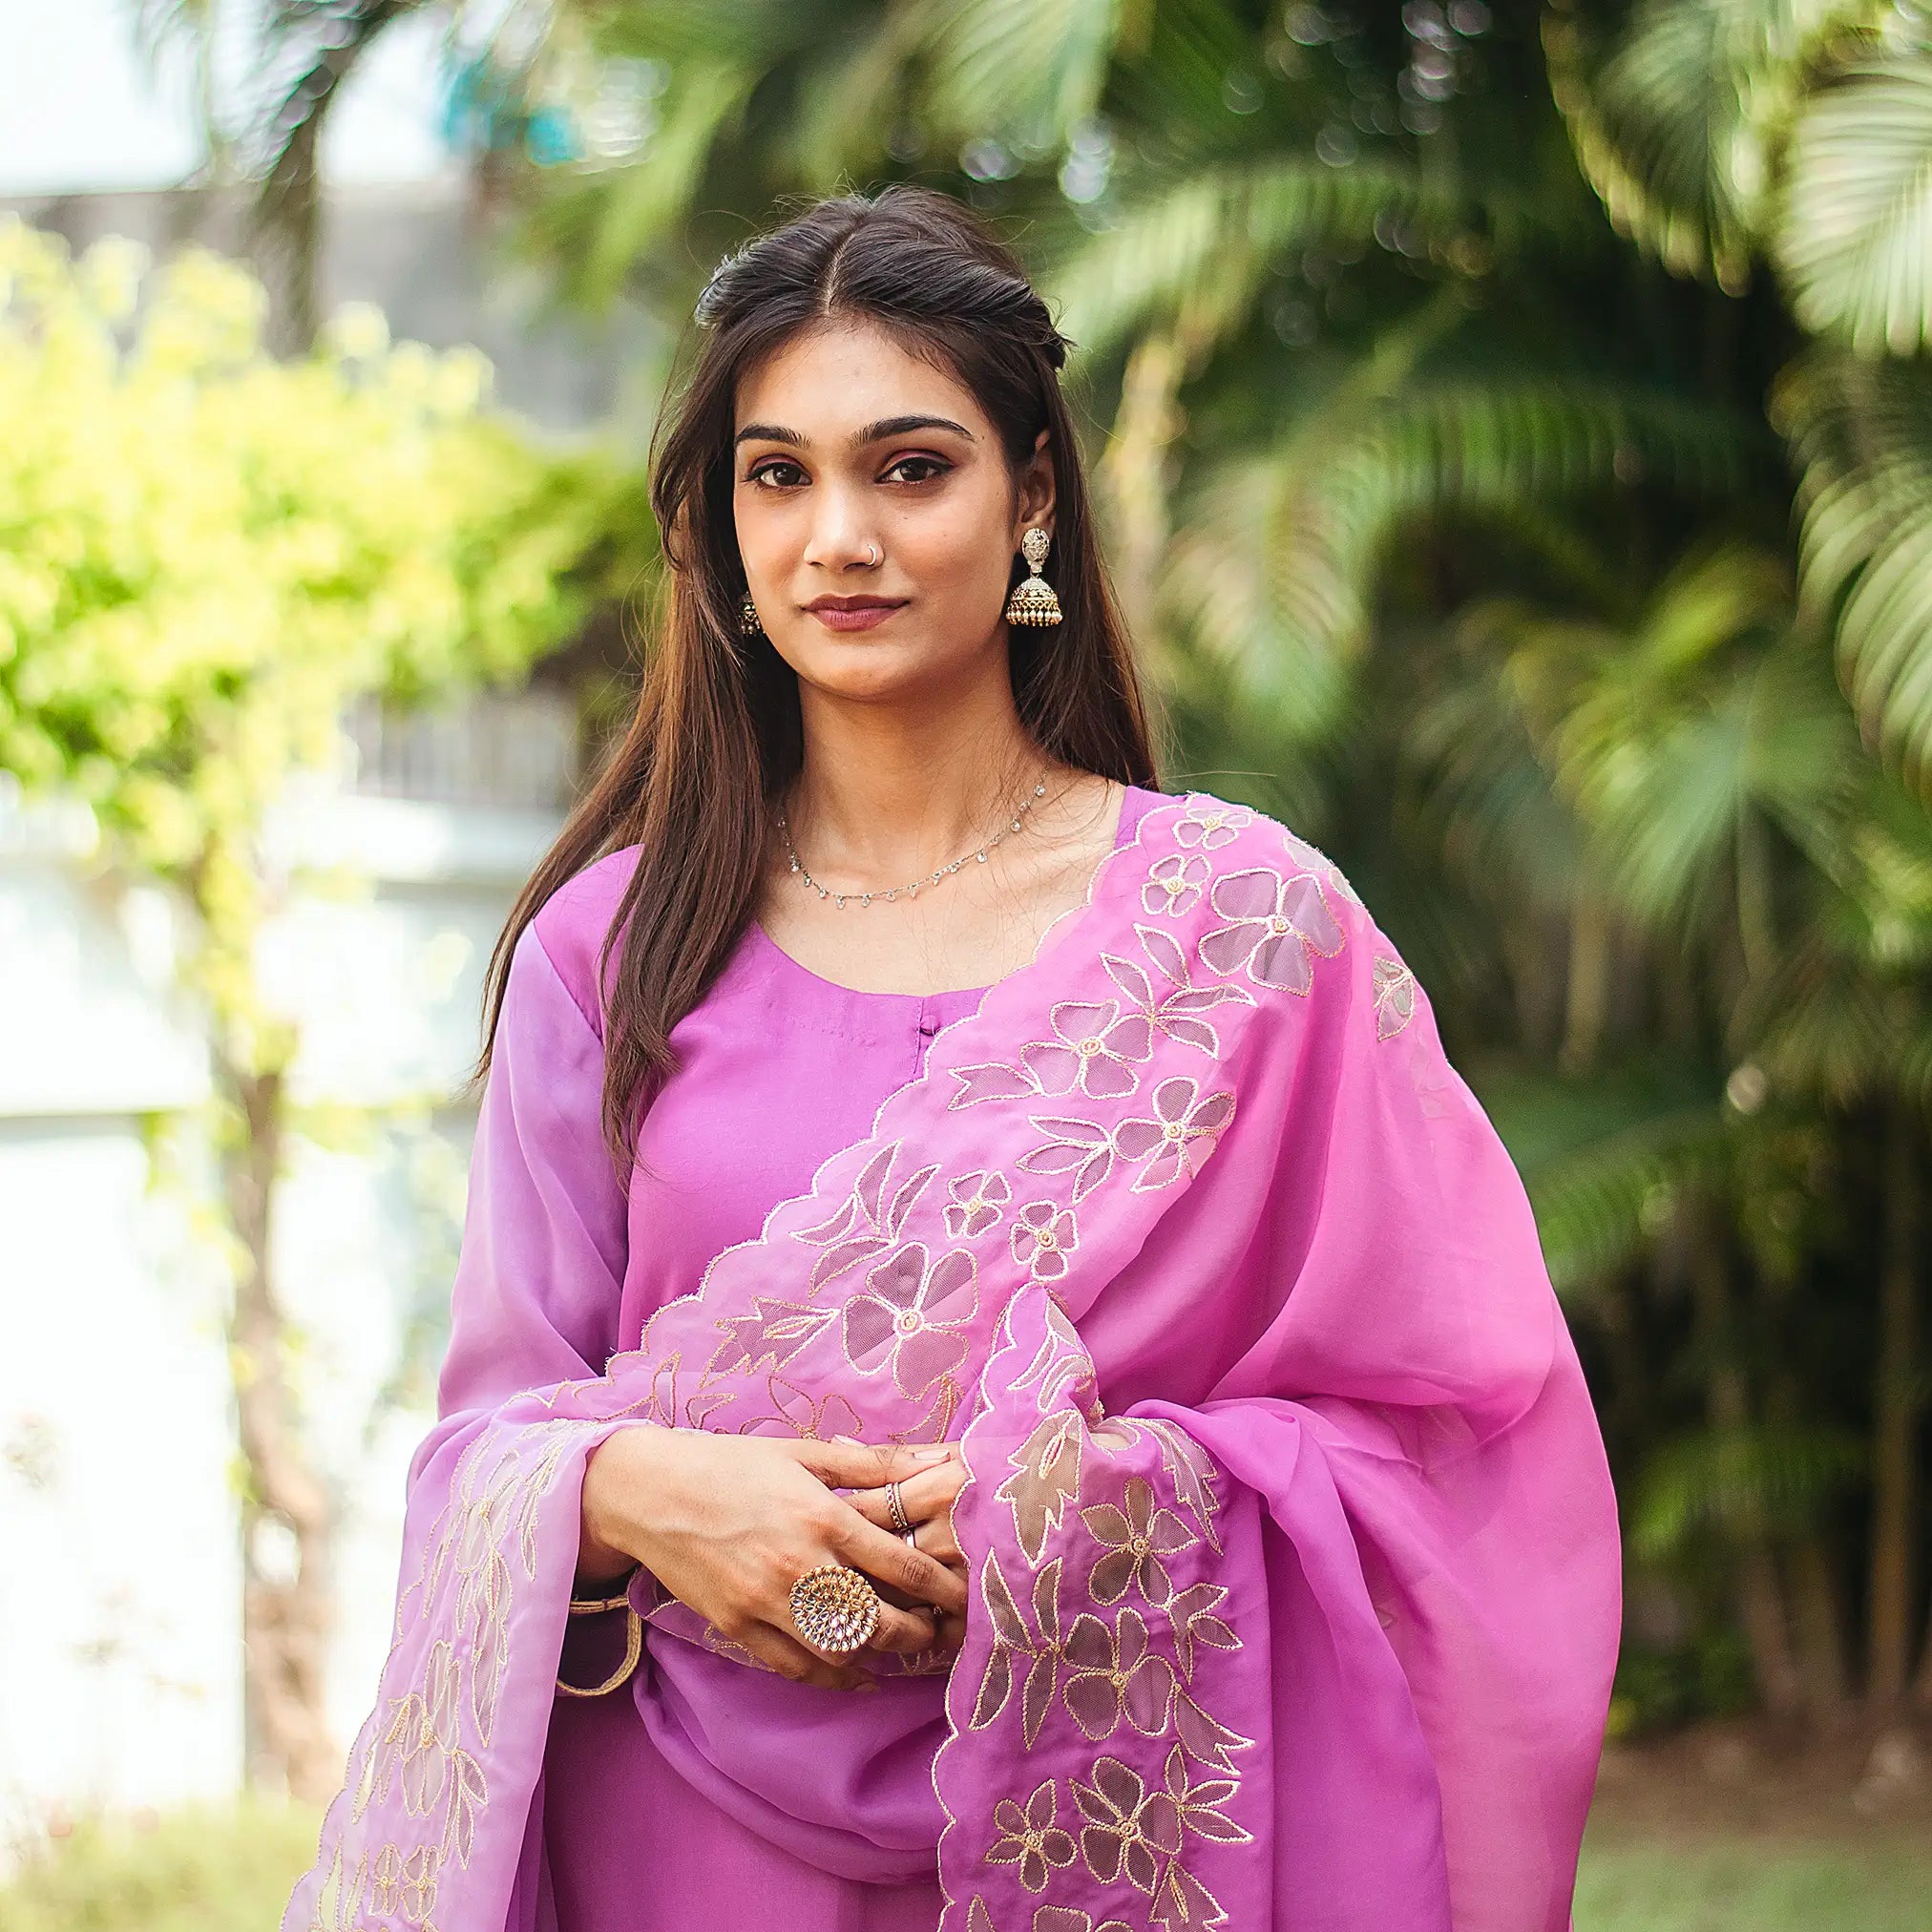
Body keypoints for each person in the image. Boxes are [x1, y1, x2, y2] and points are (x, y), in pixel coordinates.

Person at [284, 184, 1621, 1932]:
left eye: (910, 467)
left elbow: (1464, 1444)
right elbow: (488, 1443)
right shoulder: (608, 953)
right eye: (780, 475)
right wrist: (643, 1488)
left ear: (1033, 496)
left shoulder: (1247, 936)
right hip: (680, 1849)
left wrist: (1090, 1518)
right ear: (722, 524)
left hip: (1122, 1839)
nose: (839, 533)